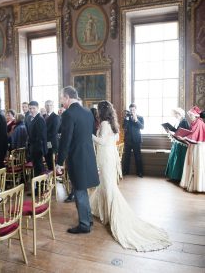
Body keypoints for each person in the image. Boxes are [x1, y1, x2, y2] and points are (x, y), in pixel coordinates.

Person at [90, 100, 171, 251]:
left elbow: (101, 141)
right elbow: (112, 140)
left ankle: (111, 214)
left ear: (101, 111)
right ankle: (103, 211)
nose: (96, 112)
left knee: (108, 186)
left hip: (105, 157)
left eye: (97, 110)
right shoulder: (112, 123)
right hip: (109, 155)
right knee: (105, 184)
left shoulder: (104, 125)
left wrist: (90, 136)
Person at [56, 86, 99, 234]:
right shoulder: (88, 112)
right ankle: (88, 219)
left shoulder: (69, 114)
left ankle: (84, 224)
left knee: (79, 190)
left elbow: (65, 140)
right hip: (88, 155)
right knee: (83, 189)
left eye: (62, 98)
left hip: (77, 158)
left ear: (67, 97)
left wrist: (59, 162)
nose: (61, 101)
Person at [180, 106, 205, 192]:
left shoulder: (199, 123)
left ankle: (197, 186)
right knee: (191, 164)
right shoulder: (194, 123)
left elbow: (194, 135)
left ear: (196, 115)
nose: (190, 117)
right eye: (189, 115)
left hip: (198, 147)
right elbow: (191, 134)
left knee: (197, 164)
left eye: (191, 115)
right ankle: (191, 184)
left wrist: (184, 137)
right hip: (193, 145)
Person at [165, 108, 190, 182]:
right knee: (174, 158)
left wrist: (172, 132)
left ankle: (177, 178)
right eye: (175, 114)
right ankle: (173, 177)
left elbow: (183, 133)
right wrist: (170, 131)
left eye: (176, 114)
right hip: (177, 143)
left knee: (178, 160)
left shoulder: (184, 122)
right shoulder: (180, 121)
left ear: (180, 114)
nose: (175, 116)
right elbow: (177, 131)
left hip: (181, 144)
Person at [122, 103, 144, 177]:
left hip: (137, 140)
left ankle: (140, 172)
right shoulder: (126, 118)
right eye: (130, 110)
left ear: (135, 109)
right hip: (128, 140)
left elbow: (142, 127)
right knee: (126, 157)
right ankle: (125, 171)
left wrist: (136, 120)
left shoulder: (140, 117)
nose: (132, 111)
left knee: (138, 157)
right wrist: (127, 120)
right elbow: (124, 127)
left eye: (133, 109)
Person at [28, 101, 47, 178]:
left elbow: (42, 136)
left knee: (39, 168)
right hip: (34, 147)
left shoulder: (39, 119)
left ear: (37, 108)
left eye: (33, 108)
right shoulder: (32, 118)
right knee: (37, 167)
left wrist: (41, 150)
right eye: (30, 108)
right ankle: (39, 185)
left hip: (38, 148)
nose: (31, 110)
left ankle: (41, 186)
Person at [44, 100, 60, 170]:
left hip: (51, 142)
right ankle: (50, 178)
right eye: (47, 105)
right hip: (45, 142)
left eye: (50, 105)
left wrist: (45, 139)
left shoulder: (56, 117)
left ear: (53, 106)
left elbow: (54, 131)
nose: (48, 107)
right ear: (45, 107)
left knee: (51, 162)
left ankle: (53, 178)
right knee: (47, 160)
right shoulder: (44, 116)